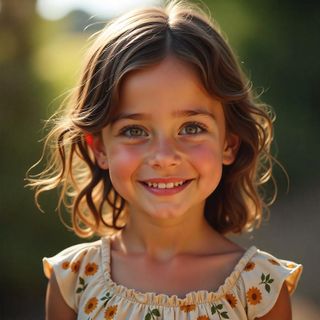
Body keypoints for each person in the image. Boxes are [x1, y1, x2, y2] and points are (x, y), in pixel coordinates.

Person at [27, 1, 302, 319]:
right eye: (134, 130)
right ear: (99, 148)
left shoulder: (261, 287)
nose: (164, 157)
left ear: (228, 143)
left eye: (191, 127)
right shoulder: (72, 279)